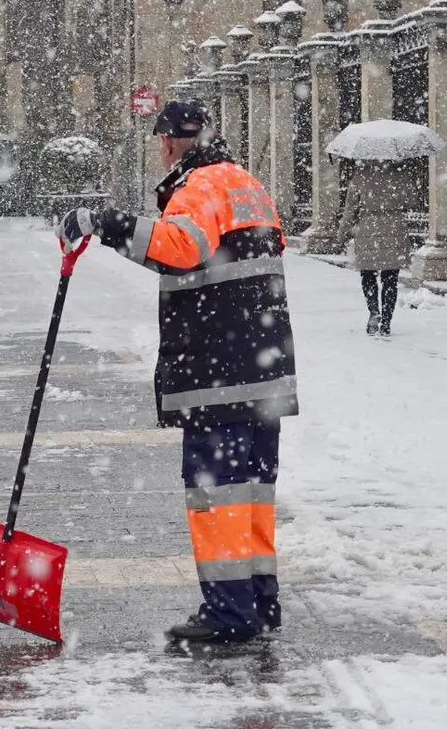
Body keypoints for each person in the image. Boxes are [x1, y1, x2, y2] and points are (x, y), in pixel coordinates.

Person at [56, 100, 299, 646]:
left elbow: (181, 248)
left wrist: (102, 221)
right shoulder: (246, 183)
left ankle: (229, 612)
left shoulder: (200, 186)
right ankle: (259, 602)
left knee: (217, 496)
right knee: (251, 495)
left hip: (219, 369)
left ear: (167, 143)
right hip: (262, 367)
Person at [336, 160, 414, 336]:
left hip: (368, 229)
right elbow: (411, 200)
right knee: (390, 278)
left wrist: (342, 233)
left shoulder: (360, 175)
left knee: (368, 275)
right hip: (394, 228)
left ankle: (374, 311)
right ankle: (386, 322)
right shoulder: (400, 174)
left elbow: (350, 209)